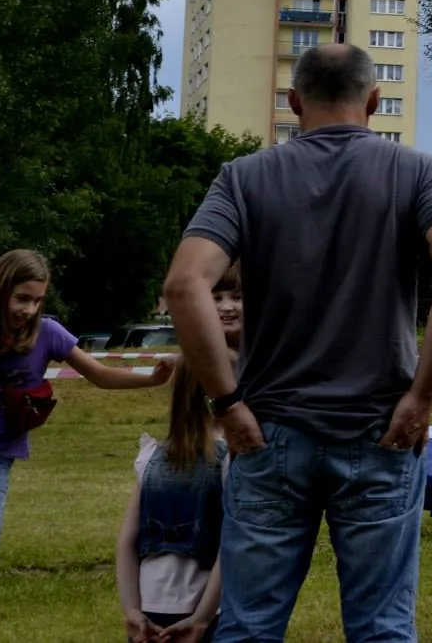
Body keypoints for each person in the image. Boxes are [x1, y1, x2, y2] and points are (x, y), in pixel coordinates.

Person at [163, 43, 432, 643]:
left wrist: (227, 404)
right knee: (382, 629)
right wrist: (421, 398)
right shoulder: (419, 172)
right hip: (381, 431)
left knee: (248, 628)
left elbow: (184, 285)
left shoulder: (244, 178)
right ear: (375, 101)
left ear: (293, 102)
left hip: (268, 437)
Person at [0, 249, 176, 643]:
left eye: (37, 300)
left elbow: (100, 375)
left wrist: (152, 380)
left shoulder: (49, 334)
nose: (29, 309)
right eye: (22, 298)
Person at [116, 266, 243, 643]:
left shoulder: (150, 458)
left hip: (148, 608)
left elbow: (127, 541)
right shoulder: (232, 459)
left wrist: (131, 610)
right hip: (207, 610)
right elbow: (231, 541)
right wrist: (203, 616)